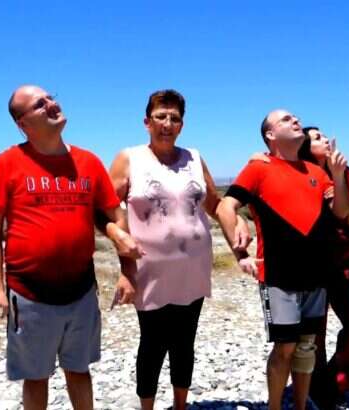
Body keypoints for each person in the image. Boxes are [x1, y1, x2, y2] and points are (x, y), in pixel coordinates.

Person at [0, 85, 142, 410]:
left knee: (79, 370)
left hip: (81, 291)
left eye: (51, 97)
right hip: (29, 294)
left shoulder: (88, 161)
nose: (52, 104)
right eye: (40, 104)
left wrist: (128, 272)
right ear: (23, 124)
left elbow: (115, 216)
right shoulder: (7, 163)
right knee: (35, 376)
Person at [107, 89, 250, 410]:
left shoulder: (194, 158)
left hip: (193, 267)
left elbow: (215, 204)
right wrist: (124, 263)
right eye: (161, 116)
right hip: (149, 270)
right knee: (153, 343)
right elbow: (107, 210)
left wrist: (238, 220)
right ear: (147, 122)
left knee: (185, 341)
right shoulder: (129, 158)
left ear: (182, 125)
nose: (167, 124)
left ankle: (180, 406)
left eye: (174, 118)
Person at [217, 110, 349, 410]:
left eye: (296, 118)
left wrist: (338, 175)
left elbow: (341, 212)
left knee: (306, 346)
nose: (296, 121)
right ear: (270, 134)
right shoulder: (258, 168)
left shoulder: (316, 172)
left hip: (316, 273)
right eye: (286, 119)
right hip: (279, 275)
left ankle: (300, 406)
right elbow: (225, 207)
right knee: (285, 346)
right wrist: (240, 254)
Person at [299, 127, 349, 409]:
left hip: (342, 263)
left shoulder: (345, 173)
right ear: (305, 147)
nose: (325, 140)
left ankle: (335, 381)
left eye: (324, 135)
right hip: (309, 266)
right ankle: (314, 386)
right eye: (317, 138)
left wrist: (338, 177)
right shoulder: (297, 174)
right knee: (313, 332)